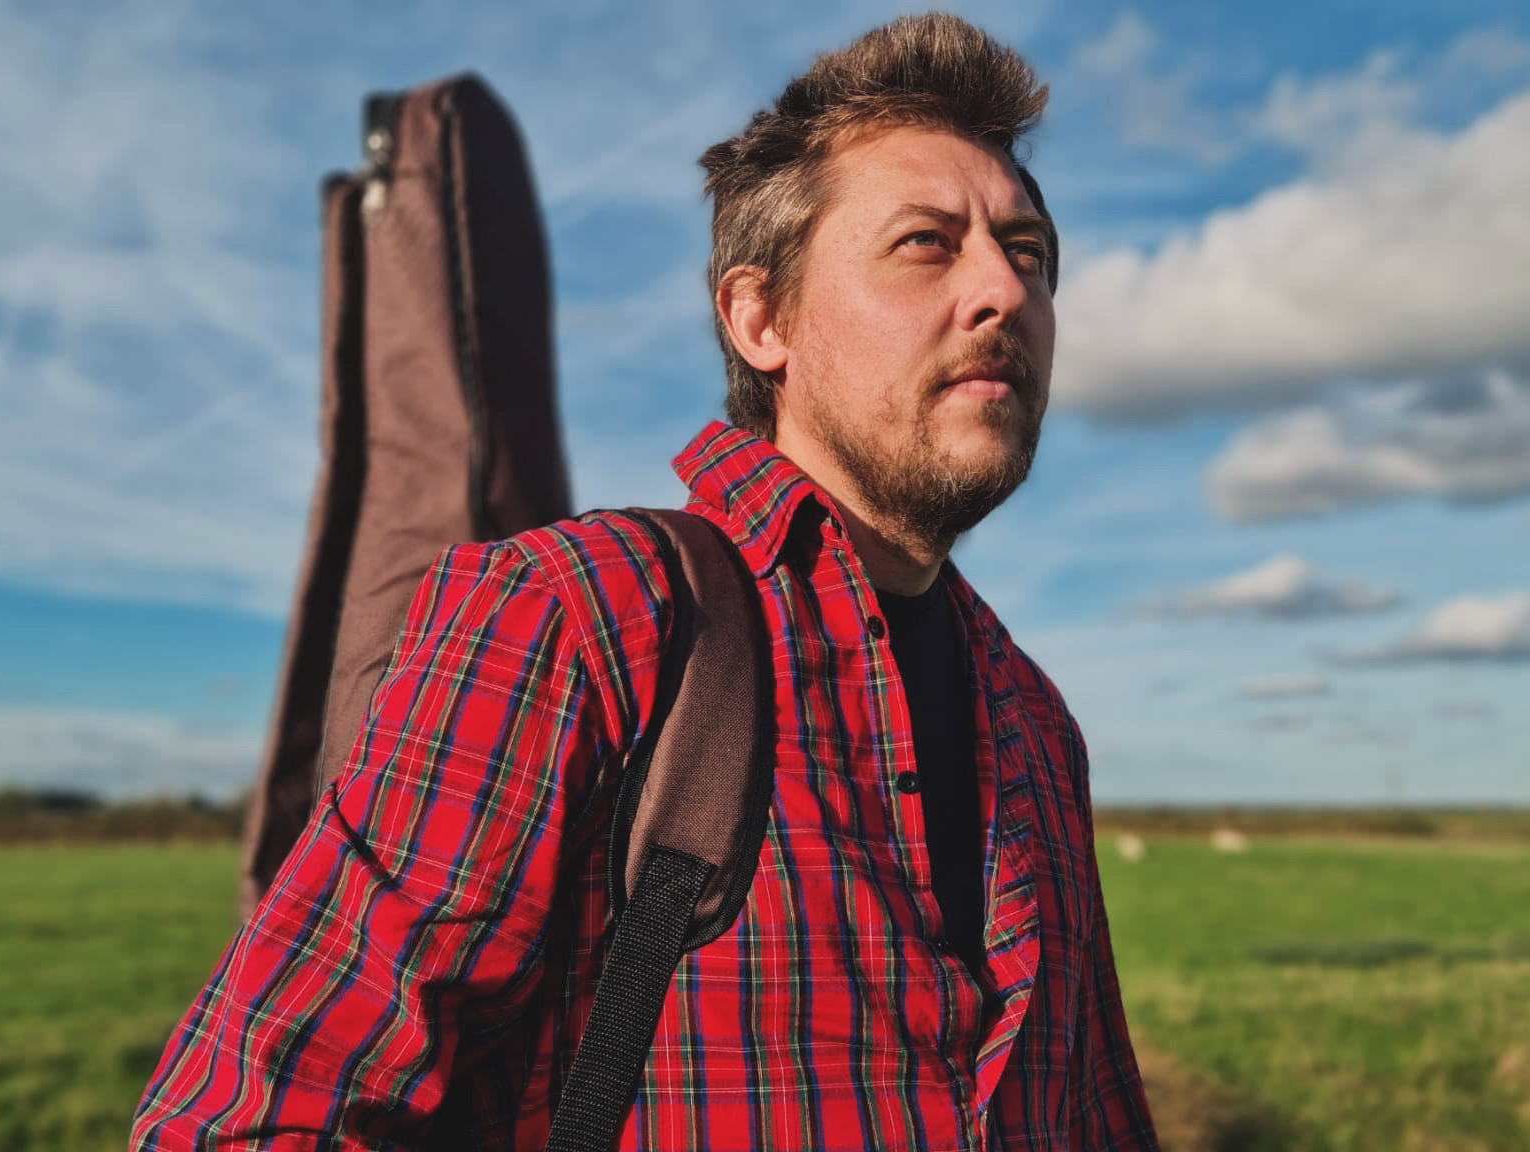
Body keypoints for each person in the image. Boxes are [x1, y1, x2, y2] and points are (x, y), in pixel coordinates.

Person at [133, 13, 1158, 1150]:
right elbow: (258, 1111)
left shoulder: (1031, 718)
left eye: (1028, 254)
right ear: (758, 317)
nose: (1004, 292)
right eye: (926, 242)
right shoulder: (581, 615)